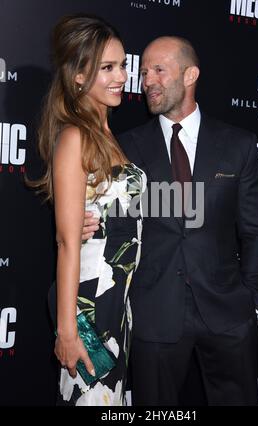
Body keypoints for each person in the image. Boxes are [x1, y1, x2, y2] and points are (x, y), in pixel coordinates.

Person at [83, 36, 258, 406]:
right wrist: (85, 222)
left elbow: (256, 231)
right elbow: (113, 217)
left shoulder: (238, 145)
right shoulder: (124, 147)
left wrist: (253, 303)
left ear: (190, 74)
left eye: (158, 70)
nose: (146, 80)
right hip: (155, 314)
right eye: (143, 72)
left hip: (228, 314)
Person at [33, 14, 146, 406]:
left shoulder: (108, 134)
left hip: (117, 305)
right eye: (107, 68)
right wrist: (67, 330)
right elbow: (66, 242)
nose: (122, 76)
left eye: (123, 65)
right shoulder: (74, 136)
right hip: (89, 303)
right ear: (79, 76)